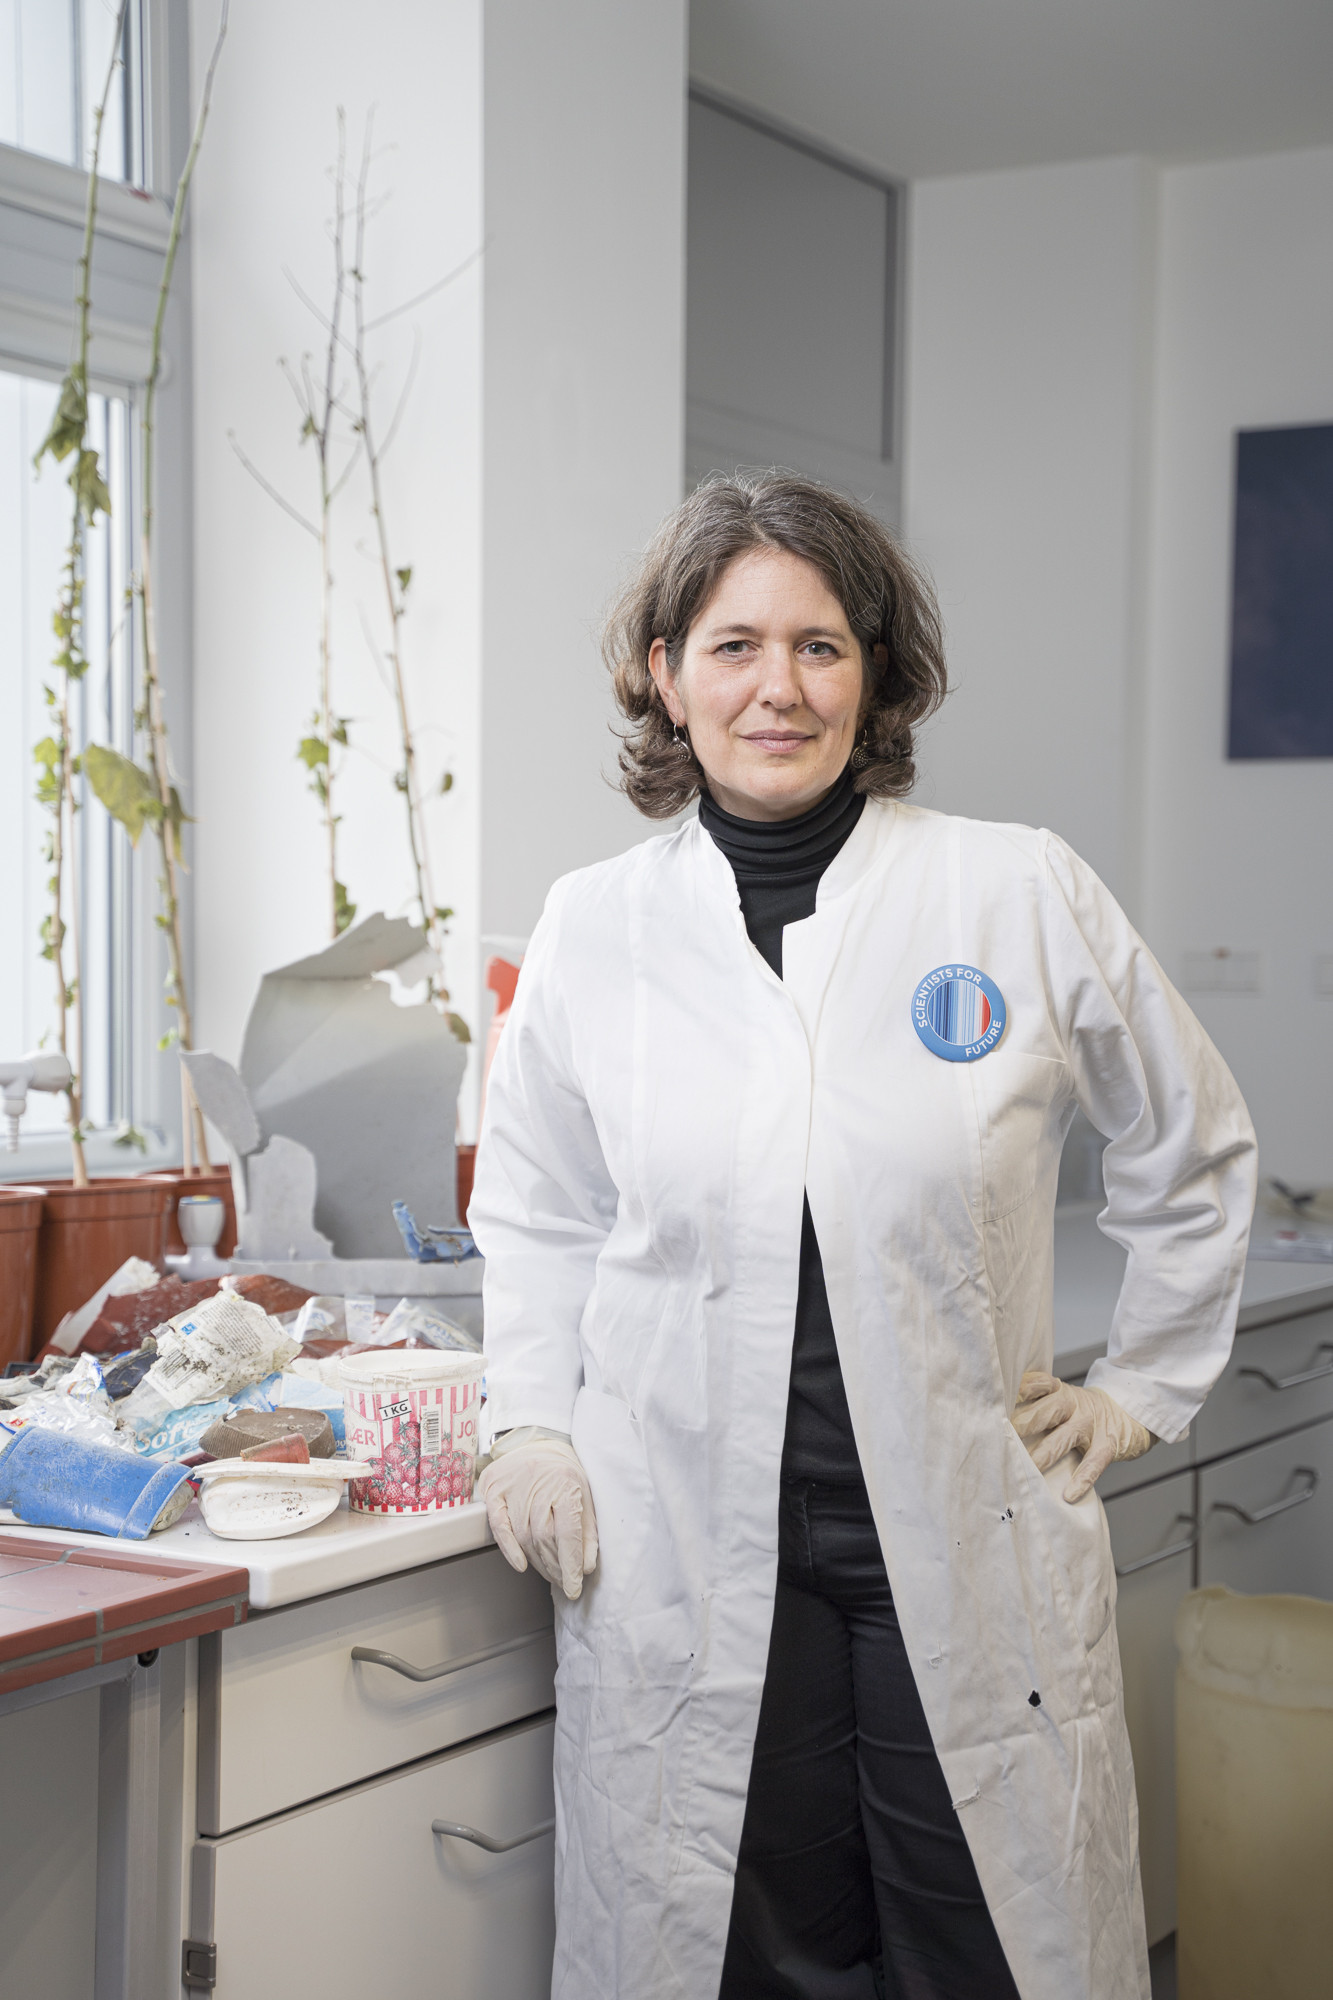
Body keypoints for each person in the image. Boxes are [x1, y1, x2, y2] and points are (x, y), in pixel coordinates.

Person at [471, 473, 1256, 2000]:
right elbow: (539, 1212)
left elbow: (1194, 1138)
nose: (778, 687)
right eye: (735, 644)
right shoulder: (592, 928)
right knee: (746, 1945)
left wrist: (1140, 1383)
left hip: (957, 1525)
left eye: (821, 646)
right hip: (689, 1536)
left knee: (979, 1938)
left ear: (877, 675)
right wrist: (528, 1427)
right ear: (664, 672)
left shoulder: (1011, 889)